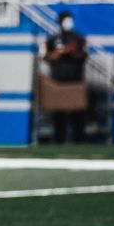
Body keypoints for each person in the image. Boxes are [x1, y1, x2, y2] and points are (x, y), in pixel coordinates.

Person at [42, 10, 89, 143]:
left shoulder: (79, 38)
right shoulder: (52, 39)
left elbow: (84, 55)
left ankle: (79, 141)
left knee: (77, 115)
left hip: (75, 80)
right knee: (58, 114)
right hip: (58, 81)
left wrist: (72, 52)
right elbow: (46, 57)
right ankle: (58, 140)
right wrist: (57, 53)